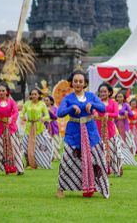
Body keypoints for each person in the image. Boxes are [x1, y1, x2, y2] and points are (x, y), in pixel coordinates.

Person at [56, 70, 109, 198]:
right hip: (73, 133)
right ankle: (61, 188)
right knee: (67, 159)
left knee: (96, 159)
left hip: (91, 132)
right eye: (75, 81)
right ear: (72, 83)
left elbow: (103, 108)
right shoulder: (68, 98)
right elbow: (60, 113)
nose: (78, 83)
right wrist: (71, 108)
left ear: (85, 83)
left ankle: (100, 187)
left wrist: (93, 104)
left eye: (81, 81)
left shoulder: (91, 96)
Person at [0, 82, 24, 176]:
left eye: (3, 90)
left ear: (7, 91)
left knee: (15, 147)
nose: (1, 92)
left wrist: (11, 118)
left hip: (11, 127)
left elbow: (16, 112)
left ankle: (19, 169)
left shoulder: (11, 102)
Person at [94, 82, 123, 177]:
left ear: (109, 92)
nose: (102, 93)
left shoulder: (113, 103)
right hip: (98, 130)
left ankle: (117, 170)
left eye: (104, 91)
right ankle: (104, 170)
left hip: (110, 130)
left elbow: (116, 114)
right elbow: (92, 111)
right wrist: (94, 113)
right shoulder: (96, 102)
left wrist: (108, 114)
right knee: (100, 151)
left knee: (114, 151)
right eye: (101, 92)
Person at [20, 88, 53, 169]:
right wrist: (23, 117)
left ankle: (41, 162)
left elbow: (47, 115)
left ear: (39, 95)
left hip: (39, 129)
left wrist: (43, 118)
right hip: (29, 128)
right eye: (32, 94)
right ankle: (28, 163)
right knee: (24, 145)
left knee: (41, 147)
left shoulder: (42, 104)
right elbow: (21, 114)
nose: (33, 96)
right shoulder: (27, 104)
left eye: (35, 94)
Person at [115, 91, 137, 167]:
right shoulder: (114, 105)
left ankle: (131, 157)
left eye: (121, 96)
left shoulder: (126, 105)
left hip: (124, 127)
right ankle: (120, 160)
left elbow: (131, 114)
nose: (119, 98)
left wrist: (127, 113)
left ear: (124, 98)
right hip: (116, 126)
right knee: (118, 143)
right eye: (118, 96)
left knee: (129, 143)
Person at [43, 95, 61, 161]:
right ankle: (51, 156)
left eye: (47, 100)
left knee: (55, 141)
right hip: (45, 126)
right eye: (44, 100)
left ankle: (56, 155)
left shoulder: (55, 108)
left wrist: (50, 112)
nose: (45, 102)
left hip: (54, 126)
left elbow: (56, 117)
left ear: (51, 101)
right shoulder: (42, 109)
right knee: (47, 142)